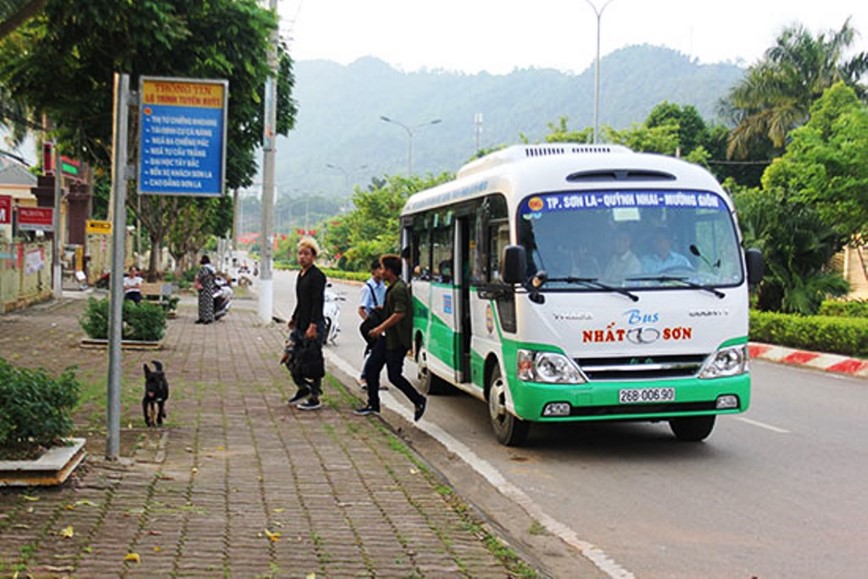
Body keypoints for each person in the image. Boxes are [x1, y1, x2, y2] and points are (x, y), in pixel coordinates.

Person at [354, 254, 427, 422]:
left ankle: (418, 400)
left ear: (389, 271)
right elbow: (393, 309)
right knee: (372, 368)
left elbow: (400, 313)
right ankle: (373, 404)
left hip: (396, 340)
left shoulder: (399, 289)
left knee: (394, 375)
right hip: (387, 339)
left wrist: (379, 328)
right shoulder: (393, 287)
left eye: (382, 268)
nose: (380, 272)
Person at [286, 237, 327, 411]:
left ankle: (314, 397)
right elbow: (301, 301)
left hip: (313, 323)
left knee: (311, 361)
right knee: (290, 357)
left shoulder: (317, 276)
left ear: (313, 256)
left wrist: (313, 325)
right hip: (301, 322)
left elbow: (317, 302)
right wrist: (294, 318)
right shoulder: (301, 275)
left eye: (306, 254)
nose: (302, 257)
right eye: (300, 253)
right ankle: (304, 388)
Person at [358, 259, 387, 389]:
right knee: (374, 351)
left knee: (377, 352)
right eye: (380, 269)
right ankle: (364, 377)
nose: (383, 272)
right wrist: (370, 323)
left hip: (381, 325)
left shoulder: (383, 288)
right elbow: (361, 309)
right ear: (374, 271)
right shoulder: (367, 288)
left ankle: (372, 379)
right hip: (373, 325)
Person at [195, 255, 217, 324]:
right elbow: (214, 278)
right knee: (209, 303)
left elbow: (201, 276)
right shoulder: (211, 268)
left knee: (203, 303)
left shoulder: (204, 268)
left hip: (203, 288)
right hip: (210, 287)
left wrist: (197, 279)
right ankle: (209, 318)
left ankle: (203, 318)